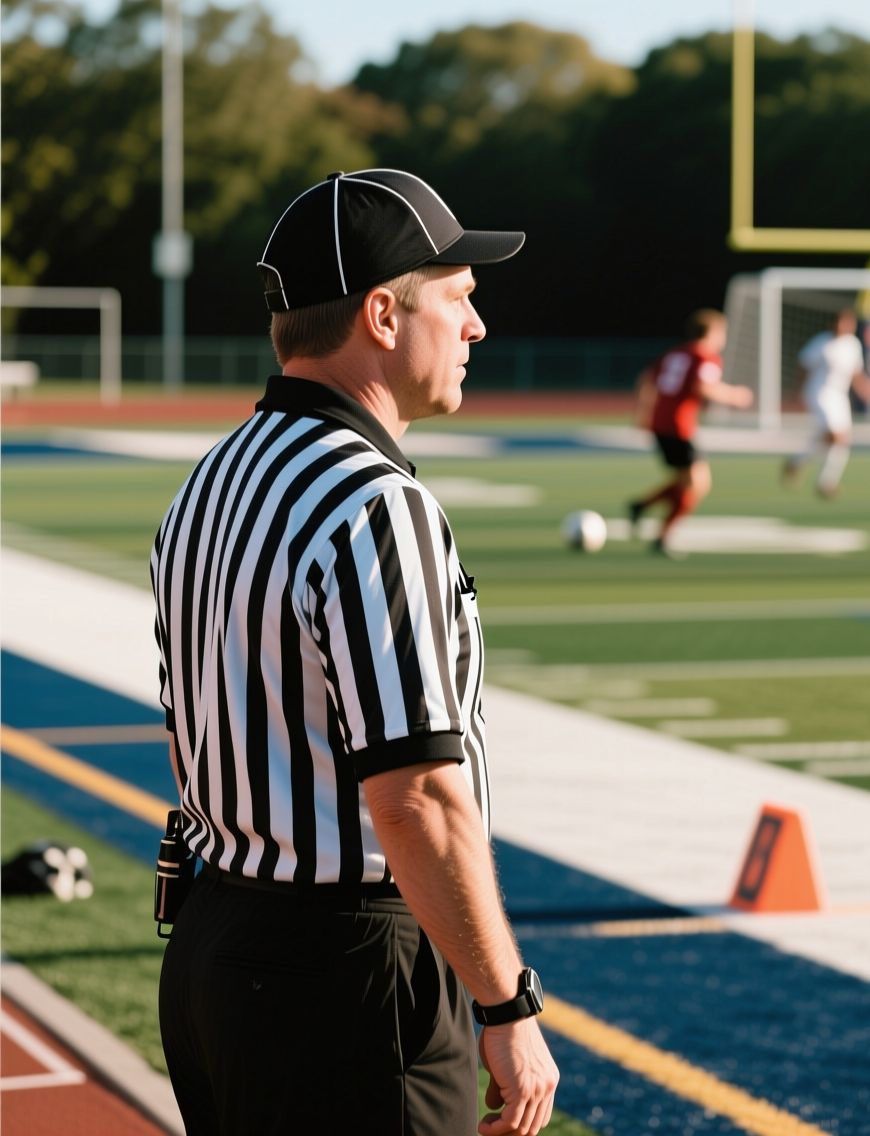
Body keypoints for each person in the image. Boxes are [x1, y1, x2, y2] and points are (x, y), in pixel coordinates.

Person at [150, 169, 558, 1136]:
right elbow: (416, 796)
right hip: (346, 979)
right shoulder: (374, 503)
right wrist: (506, 1003)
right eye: (458, 297)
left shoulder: (210, 480)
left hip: (215, 939)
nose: (476, 327)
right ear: (382, 313)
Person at [629, 309, 754, 557]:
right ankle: (663, 535)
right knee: (697, 484)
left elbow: (646, 378)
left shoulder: (676, 352)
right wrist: (735, 396)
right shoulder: (704, 355)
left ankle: (642, 506)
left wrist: (643, 412)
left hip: (660, 423)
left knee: (686, 481)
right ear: (713, 332)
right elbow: (703, 387)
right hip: (679, 426)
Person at [781, 308, 870, 498]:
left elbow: (855, 372)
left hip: (839, 396)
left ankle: (806, 468)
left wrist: (865, 388)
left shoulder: (853, 345)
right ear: (833, 324)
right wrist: (797, 391)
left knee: (837, 439)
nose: (843, 326)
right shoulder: (822, 343)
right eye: (840, 322)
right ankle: (823, 481)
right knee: (836, 436)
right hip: (819, 393)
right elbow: (803, 366)